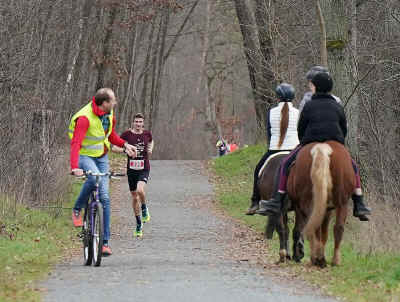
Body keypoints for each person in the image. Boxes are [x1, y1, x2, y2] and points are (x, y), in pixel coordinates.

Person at [256, 72, 371, 221]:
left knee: (285, 164)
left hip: (311, 142)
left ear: (315, 87)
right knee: (353, 166)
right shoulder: (337, 106)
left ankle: (277, 199)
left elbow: (301, 128)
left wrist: (304, 142)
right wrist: (339, 143)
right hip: (334, 142)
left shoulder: (309, 105)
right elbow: (344, 129)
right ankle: (359, 202)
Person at [69, 88, 136, 256]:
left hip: (102, 157)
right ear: (104, 103)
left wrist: (125, 145)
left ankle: (105, 243)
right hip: (85, 156)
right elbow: (76, 143)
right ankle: (77, 209)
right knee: (92, 180)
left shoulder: (109, 114)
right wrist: (74, 167)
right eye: (112, 100)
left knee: (104, 197)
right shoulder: (85, 118)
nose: (115, 102)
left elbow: (111, 135)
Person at [246, 83, 300, 215]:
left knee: (258, 170)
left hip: (275, 149)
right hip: (294, 150)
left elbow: (269, 134)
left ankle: (255, 202)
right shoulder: (298, 113)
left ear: (278, 97)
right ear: (293, 97)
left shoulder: (271, 112)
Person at [112, 113, 153, 238]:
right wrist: (125, 150)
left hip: (144, 168)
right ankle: (138, 223)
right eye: (136, 122)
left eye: (140, 122)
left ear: (143, 123)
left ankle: (144, 208)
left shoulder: (147, 134)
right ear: (133, 123)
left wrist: (150, 149)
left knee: (140, 190)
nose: (138, 124)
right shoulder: (126, 135)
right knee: (134, 198)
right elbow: (113, 147)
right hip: (131, 170)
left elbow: (151, 141)